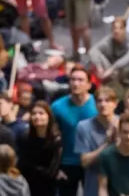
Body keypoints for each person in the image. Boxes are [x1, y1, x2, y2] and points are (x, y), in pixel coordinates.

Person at [51, 65, 98, 196]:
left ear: (89, 84)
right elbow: (50, 136)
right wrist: (55, 167)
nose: (76, 83)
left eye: (80, 80)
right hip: (67, 162)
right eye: (72, 79)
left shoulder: (98, 105)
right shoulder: (57, 107)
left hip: (92, 161)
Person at [75, 86, 118, 196]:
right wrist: (106, 144)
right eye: (99, 101)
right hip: (94, 182)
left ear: (115, 103)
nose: (103, 104)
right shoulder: (84, 126)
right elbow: (84, 161)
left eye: (107, 101)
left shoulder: (124, 125)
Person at [96, 113, 129, 196]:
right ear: (119, 131)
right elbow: (102, 188)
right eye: (125, 132)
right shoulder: (106, 155)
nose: (128, 137)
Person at [17, 101, 60, 196]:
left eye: (41, 113)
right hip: (28, 186)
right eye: (33, 114)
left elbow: (53, 171)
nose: (37, 117)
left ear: (49, 116)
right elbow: (22, 164)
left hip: (49, 187)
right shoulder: (25, 137)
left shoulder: (56, 140)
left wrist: (34, 169)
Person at [89, 18, 129, 99]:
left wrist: (112, 69)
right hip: (110, 70)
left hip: (124, 71)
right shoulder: (109, 39)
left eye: (120, 28)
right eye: (114, 28)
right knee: (97, 56)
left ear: (124, 29)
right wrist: (99, 67)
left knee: (127, 64)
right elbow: (93, 51)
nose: (116, 31)